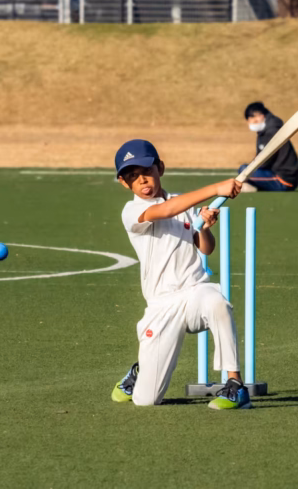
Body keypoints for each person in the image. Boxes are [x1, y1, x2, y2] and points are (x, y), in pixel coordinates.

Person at [110, 139, 253, 409]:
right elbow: (165, 211)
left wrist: (204, 227)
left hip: (194, 292)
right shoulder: (132, 211)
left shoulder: (181, 203)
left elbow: (206, 249)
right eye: (132, 176)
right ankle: (138, 375)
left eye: (146, 171)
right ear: (124, 183)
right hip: (161, 305)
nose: (141, 180)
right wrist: (216, 188)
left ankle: (235, 384)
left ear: (160, 168)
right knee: (146, 401)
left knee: (218, 301)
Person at [241, 102, 298, 191]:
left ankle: (255, 187)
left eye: (255, 118)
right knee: (247, 170)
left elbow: (264, 161)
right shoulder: (266, 130)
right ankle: (255, 185)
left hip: (284, 180)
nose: (253, 122)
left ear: (262, 115)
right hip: (279, 175)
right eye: (251, 120)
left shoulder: (271, 132)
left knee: (244, 170)